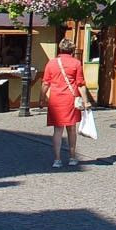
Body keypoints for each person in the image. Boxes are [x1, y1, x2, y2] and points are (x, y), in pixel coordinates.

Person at [41, 38, 94, 167]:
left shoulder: (51, 63)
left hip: (55, 100)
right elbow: (80, 84)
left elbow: (45, 83)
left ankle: (57, 159)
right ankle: (72, 157)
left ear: (60, 48)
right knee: (71, 129)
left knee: (57, 131)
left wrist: (42, 98)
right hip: (70, 99)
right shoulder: (76, 63)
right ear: (72, 50)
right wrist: (86, 101)